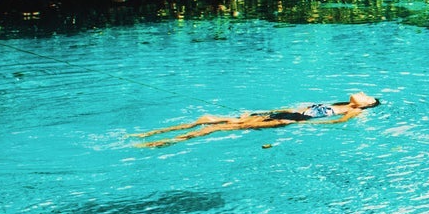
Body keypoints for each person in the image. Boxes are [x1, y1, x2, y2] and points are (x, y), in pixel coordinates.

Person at [134, 93, 381, 147]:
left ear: (367, 104)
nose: (362, 93)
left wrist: (297, 125)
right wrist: (273, 111)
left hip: (292, 121)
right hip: (285, 115)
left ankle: (167, 140)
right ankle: (155, 137)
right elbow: (305, 107)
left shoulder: (354, 111)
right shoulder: (340, 103)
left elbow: (333, 123)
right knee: (212, 120)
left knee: (215, 124)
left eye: (367, 96)